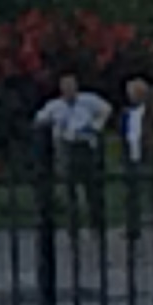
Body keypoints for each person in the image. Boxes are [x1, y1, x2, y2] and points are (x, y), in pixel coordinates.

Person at [32, 72, 112, 235]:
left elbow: (106, 109)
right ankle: (73, 225)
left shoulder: (88, 100)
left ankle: (97, 224)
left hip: (86, 144)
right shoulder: (55, 106)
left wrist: (97, 125)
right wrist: (53, 125)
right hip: (66, 145)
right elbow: (39, 119)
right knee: (68, 188)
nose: (69, 91)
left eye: (71, 87)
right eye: (65, 88)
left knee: (93, 186)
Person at [117, 76, 153, 240]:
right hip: (131, 154)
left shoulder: (152, 112)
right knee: (131, 194)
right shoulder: (126, 113)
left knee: (151, 192)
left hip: (146, 154)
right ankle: (132, 227)